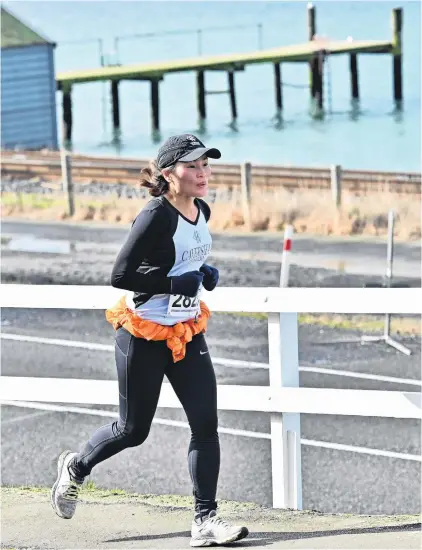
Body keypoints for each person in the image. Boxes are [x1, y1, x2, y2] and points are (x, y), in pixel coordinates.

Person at [51, 133, 249, 547]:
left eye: (206, 165)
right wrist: (174, 281)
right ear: (168, 173)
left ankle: (205, 520)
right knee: (133, 429)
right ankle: (76, 468)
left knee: (206, 423)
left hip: (186, 330)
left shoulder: (202, 210)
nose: (203, 173)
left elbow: (182, 257)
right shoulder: (154, 215)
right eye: (193, 166)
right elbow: (120, 276)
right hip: (142, 333)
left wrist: (203, 273)